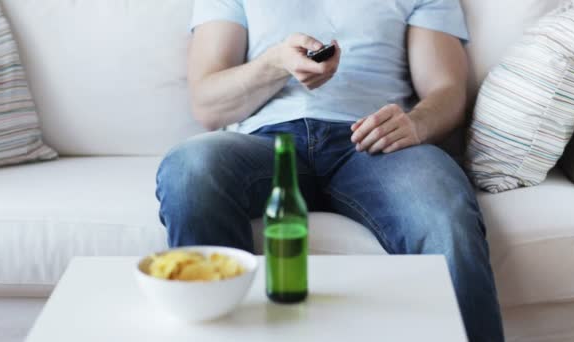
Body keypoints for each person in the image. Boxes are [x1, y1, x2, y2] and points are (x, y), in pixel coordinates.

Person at [156, 1, 504, 341]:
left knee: (442, 210)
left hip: (375, 143)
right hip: (264, 144)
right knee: (190, 169)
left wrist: (416, 124)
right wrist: (276, 63)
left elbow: (447, 89)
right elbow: (206, 104)